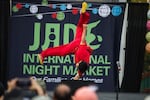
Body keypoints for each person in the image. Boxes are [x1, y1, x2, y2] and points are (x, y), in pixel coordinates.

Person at [38, 2, 93, 80]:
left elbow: (79, 74)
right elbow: (83, 40)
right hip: (78, 45)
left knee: (80, 27)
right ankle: (43, 54)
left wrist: (75, 79)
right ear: (80, 62)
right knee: (62, 51)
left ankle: (84, 14)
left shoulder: (85, 65)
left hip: (79, 41)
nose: (76, 65)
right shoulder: (81, 53)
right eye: (77, 65)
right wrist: (85, 29)